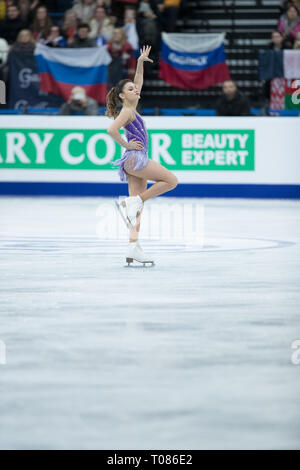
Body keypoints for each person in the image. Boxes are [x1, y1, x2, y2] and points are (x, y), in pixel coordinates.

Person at [106, 45, 178, 266]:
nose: (135, 90)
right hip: (136, 159)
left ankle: (133, 249)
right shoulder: (127, 110)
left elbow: (138, 82)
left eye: (134, 89)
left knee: (137, 211)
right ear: (121, 95)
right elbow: (111, 130)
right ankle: (132, 202)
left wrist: (139, 63)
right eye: (129, 89)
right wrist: (127, 144)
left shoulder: (132, 105)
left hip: (132, 161)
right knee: (171, 181)